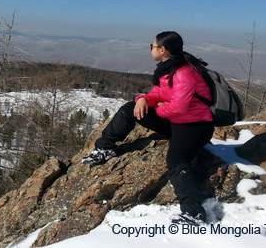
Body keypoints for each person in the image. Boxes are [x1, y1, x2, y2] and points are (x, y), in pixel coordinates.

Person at [82, 31, 214, 224]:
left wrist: (158, 111)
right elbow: (159, 92)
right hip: (176, 121)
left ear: (162, 49)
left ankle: (194, 213)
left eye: (152, 46)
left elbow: (180, 106)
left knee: (176, 162)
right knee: (130, 109)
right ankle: (105, 148)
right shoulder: (169, 68)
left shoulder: (184, 72)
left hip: (195, 125)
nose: (151, 49)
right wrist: (143, 99)